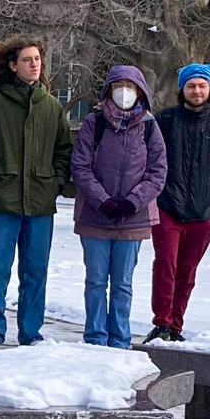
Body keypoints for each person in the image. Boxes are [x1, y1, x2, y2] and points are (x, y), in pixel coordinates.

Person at [0, 35, 72, 353]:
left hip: (41, 204)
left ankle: (31, 333)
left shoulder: (52, 106)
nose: (34, 64)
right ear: (13, 65)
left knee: (35, 271)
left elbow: (64, 151)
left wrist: (55, 183)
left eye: (37, 59)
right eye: (27, 60)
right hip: (4, 202)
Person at [70, 65, 168, 349]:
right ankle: (95, 337)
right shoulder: (94, 123)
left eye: (130, 86)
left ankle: (120, 340)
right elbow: (80, 167)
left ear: (140, 91)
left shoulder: (149, 126)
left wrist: (132, 202)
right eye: (118, 85)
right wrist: (103, 200)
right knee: (96, 281)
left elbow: (158, 171)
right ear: (109, 90)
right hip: (95, 217)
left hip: (133, 219)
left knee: (123, 283)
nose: (124, 92)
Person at [145, 63, 210, 344]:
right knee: (165, 266)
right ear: (182, 89)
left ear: (209, 88)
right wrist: (156, 192)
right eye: (191, 86)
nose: (196, 91)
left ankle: (176, 325)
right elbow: (148, 158)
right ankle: (161, 323)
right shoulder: (164, 120)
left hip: (201, 215)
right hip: (167, 209)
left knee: (187, 272)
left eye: (201, 86)